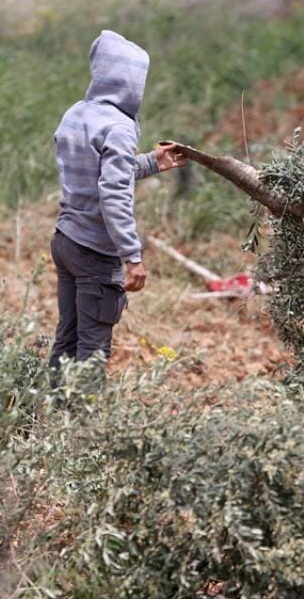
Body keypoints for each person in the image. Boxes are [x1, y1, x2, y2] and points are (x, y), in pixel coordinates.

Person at [49, 30, 187, 379]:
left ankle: (50, 407)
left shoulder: (77, 113)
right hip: (95, 252)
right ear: (132, 83)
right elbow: (113, 193)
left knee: (67, 339)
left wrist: (152, 162)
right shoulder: (120, 127)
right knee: (92, 351)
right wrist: (132, 255)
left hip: (66, 241)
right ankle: (82, 412)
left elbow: (98, 172)